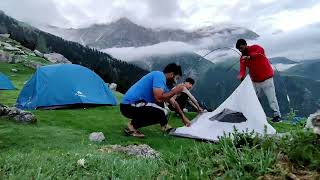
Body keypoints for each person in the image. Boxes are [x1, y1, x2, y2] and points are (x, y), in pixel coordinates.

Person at [120, 63, 190, 138]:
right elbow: (159, 98)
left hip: (135, 106)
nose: (176, 82)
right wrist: (175, 91)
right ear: (172, 75)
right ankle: (131, 127)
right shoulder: (159, 75)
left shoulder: (164, 85)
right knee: (162, 111)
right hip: (129, 105)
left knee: (162, 109)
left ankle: (164, 126)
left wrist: (183, 117)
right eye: (177, 78)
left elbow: (173, 102)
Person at [236, 39, 281, 122]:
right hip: (255, 81)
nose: (241, 50)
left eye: (241, 48)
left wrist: (250, 57)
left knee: (271, 98)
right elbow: (242, 69)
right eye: (239, 49)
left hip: (267, 78)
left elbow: (260, 54)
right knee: (255, 99)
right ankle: (257, 115)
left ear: (246, 45)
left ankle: (277, 115)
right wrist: (241, 76)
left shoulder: (256, 48)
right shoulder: (242, 58)